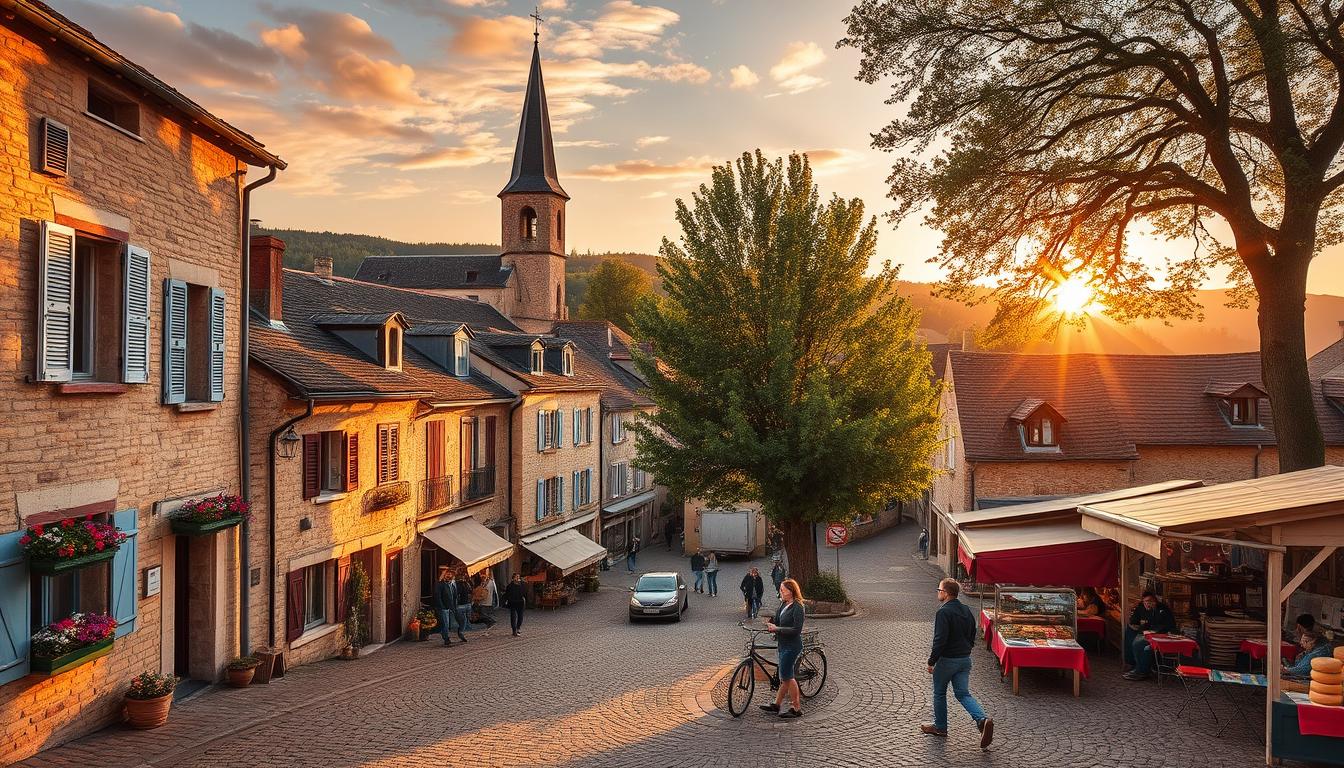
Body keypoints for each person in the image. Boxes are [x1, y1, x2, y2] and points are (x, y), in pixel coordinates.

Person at [921, 578, 994, 748]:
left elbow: (940, 640)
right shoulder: (966, 610)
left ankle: (940, 727)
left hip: (947, 660)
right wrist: (967, 649)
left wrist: (932, 661)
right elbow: (973, 632)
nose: (938, 592)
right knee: (963, 694)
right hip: (965, 660)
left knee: (939, 693)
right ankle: (982, 720)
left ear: (945, 593)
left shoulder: (943, 612)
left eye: (939, 590)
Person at [760, 578, 806, 719]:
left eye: (783, 590)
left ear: (791, 592)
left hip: (792, 646)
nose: (781, 592)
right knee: (785, 676)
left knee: (787, 677)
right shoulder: (783, 603)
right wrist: (770, 623)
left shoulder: (798, 607)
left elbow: (796, 630)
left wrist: (777, 628)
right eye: (781, 589)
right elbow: (777, 620)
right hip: (782, 644)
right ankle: (777, 704)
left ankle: (796, 708)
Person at [1122, 591, 1177, 680]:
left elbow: (1170, 625)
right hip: (1145, 633)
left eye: (1150, 601)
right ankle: (1133, 665)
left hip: (1160, 634)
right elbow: (1133, 621)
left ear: (1155, 601)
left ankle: (1141, 671)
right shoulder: (1141, 608)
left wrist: (1153, 614)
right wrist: (1137, 623)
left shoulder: (1163, 609)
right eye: (1145, 601)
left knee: (1138, 644)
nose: (1148, 603)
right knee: (1132, 636)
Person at [432, 567, 466, 645]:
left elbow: (455, 596)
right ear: (444, 575)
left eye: (450, 574)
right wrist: (442, 607)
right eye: (447, 574)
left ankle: (460, 633)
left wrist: (455, 606)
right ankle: (446, 639)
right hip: (443, 608)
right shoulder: (440, 584)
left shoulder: (453, 584)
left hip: (452, 607)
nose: (449, 575)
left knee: (461, 620)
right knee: (445, 623)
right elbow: (437, 596)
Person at [504, 573, 527, 637]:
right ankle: (514, 630)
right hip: (513, 603)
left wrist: (522, 583)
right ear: (513, 578)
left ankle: (518, 628)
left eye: (518, 577)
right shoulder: (510, 586)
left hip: (520, 602)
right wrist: (507, 600)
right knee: (513, 617)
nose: (517, 578)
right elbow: (507, 594)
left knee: (520, 616)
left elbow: (524, 592)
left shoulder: (522, 585)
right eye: (516, 577)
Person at [454, 570, 474, 635]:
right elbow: (458, 594)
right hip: (463, 603)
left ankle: (462, 630)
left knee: (464, 618)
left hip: (465, 603)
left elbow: (470, 591)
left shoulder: (465, 584)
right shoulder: (461, 584)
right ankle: (461, 630)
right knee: (464, 618)